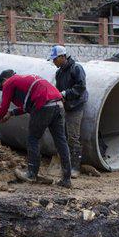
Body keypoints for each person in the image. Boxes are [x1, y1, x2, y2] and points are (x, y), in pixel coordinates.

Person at [0, 69, 72, 188]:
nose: (4, 89)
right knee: (61, 141)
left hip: (44, 105)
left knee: (33, 138)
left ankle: (31, 174)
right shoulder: (27, 79)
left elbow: (3, 106)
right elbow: (28, 106)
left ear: (4, 80)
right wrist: (12, 113)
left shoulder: (9, 82)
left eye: (2, 86)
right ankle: (66, 179)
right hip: (58, 104)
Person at [49, 45, 87, 178]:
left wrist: (65, 94)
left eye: (54, 59)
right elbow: (58, 90)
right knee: (63, 135)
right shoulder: (59, 73)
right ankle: (66, 164)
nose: (53, 62)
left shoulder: (76, 68)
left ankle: (75, 167)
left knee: (73, 136)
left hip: (76, 106)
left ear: (62, 57)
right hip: (66, 106)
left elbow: (81, 87)